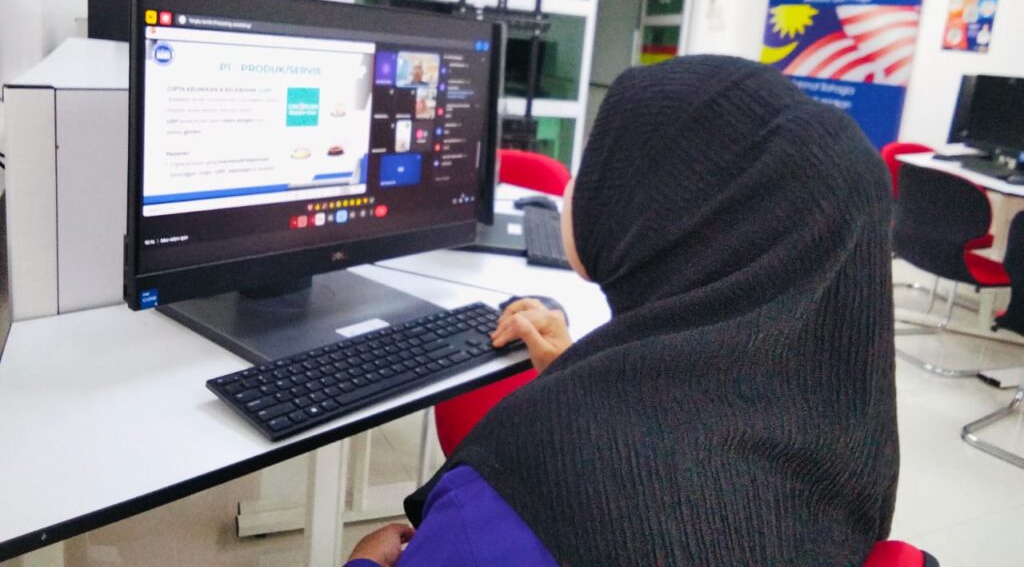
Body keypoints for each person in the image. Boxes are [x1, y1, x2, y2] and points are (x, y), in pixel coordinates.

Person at [344, 55, 899, 567]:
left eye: (601, 164)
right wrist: (587, 372)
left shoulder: (514, 500)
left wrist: (364, 562)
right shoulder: (845, 442)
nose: (577, 187)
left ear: (671, 213)